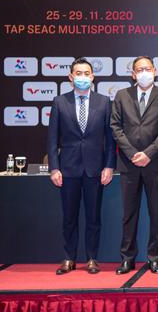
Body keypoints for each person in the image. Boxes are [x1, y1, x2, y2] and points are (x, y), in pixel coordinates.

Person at [47, 57, 116, 275]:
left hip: (95, 169)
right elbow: (52, 138)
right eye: (78, 73)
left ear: (92, 77)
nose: (83, 77)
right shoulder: (60, 102)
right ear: (71, 77)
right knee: (69, 217)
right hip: (67, 169)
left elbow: (110, 138)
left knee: (93, 217)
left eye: (87, 73)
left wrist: (109, 166)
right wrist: (54, 168)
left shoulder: (104, 102)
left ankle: (92, 258)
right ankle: (69, 258)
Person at [111, 56, 158, 274]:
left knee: (157, 214)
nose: (144, 72)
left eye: (147, 68)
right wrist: (131, 154)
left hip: (155, 164)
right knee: (129, 214)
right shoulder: (122, 95)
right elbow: (116, 127)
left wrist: (148, 153)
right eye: (139, 69)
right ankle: (127, 258)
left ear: (155, 71)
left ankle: (154, 258)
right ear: (133, 74)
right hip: (128, 164)